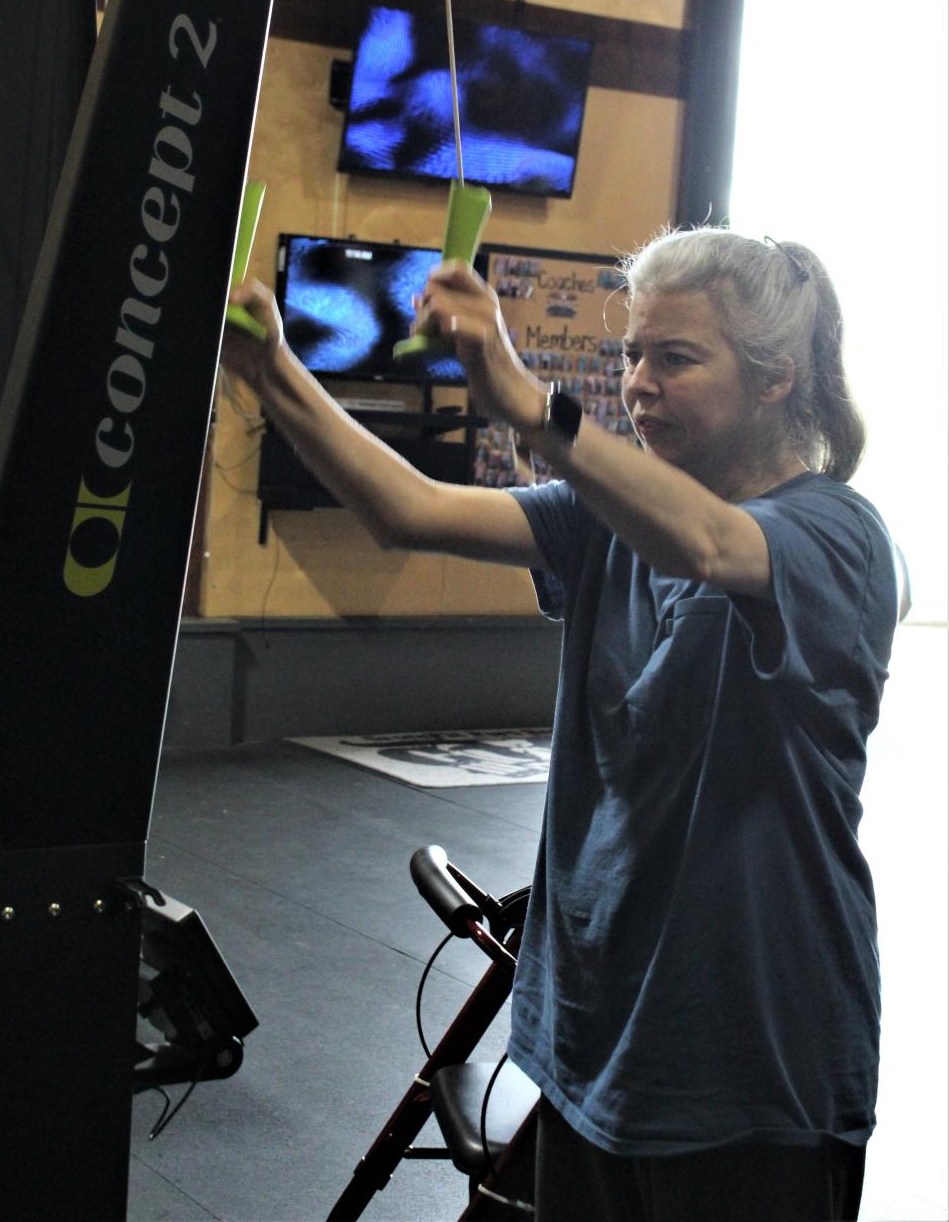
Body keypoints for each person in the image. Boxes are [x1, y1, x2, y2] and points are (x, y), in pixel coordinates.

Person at [221, 226, 900, 1222]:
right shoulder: (606, 518)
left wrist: (533, 405)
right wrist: (269, 366)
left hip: (753, 1057)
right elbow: (408, 510)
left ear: (774, 379)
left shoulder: (839, 537)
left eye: (675, 358)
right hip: (600, 1031)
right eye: (632, 355)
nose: (638, 384)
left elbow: (714, 543)